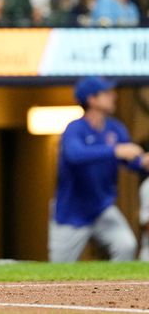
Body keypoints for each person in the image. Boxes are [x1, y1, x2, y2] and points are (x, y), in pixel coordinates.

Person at [48, 76, 149, 262]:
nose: (113, 96)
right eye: (107, 93)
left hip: (101, 208)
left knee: (126, 245)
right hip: (72, 212)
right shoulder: (75, 128)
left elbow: (129, 160)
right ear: (91, 99)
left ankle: (116, 290)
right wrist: (116, 150)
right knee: (58, 267)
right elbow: (75, 155)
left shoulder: (115, 129)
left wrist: (142, 162)